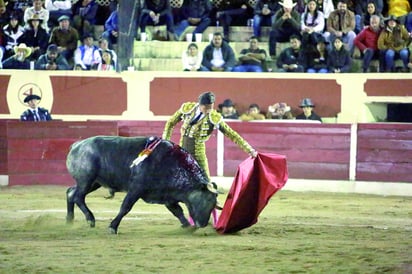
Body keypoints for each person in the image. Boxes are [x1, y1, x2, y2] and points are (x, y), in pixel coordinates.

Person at [162, 91, 257, 180]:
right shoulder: (188, 109)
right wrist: (165, 143)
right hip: (183, 150)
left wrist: (250, 150)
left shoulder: (213, 117)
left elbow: (232, 134)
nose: (209, 110)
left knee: (206, 181)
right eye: (206, 107)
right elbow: (170, 123)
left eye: (211, 107)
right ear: (200, 104)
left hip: (198, 152)